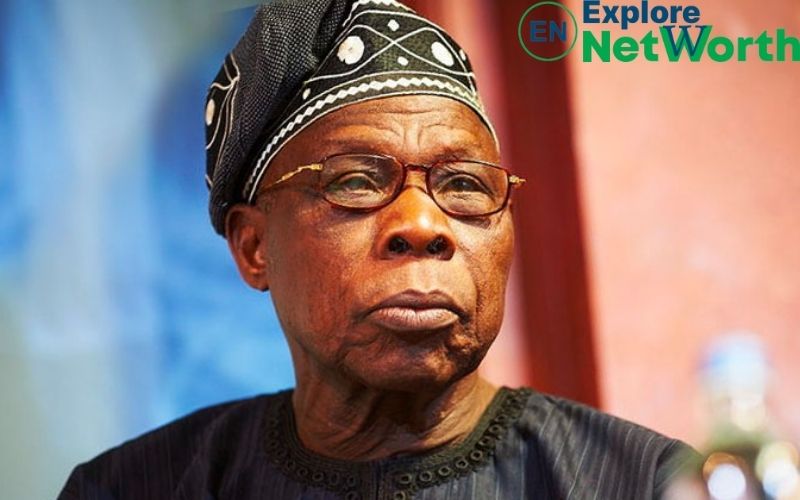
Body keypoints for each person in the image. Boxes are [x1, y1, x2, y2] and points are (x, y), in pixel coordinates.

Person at [59, 0, 692, 498]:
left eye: (464, 185)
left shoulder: (648, 484)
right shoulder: (134, 488)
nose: (421, 224)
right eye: (356, 182)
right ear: (254, 247)